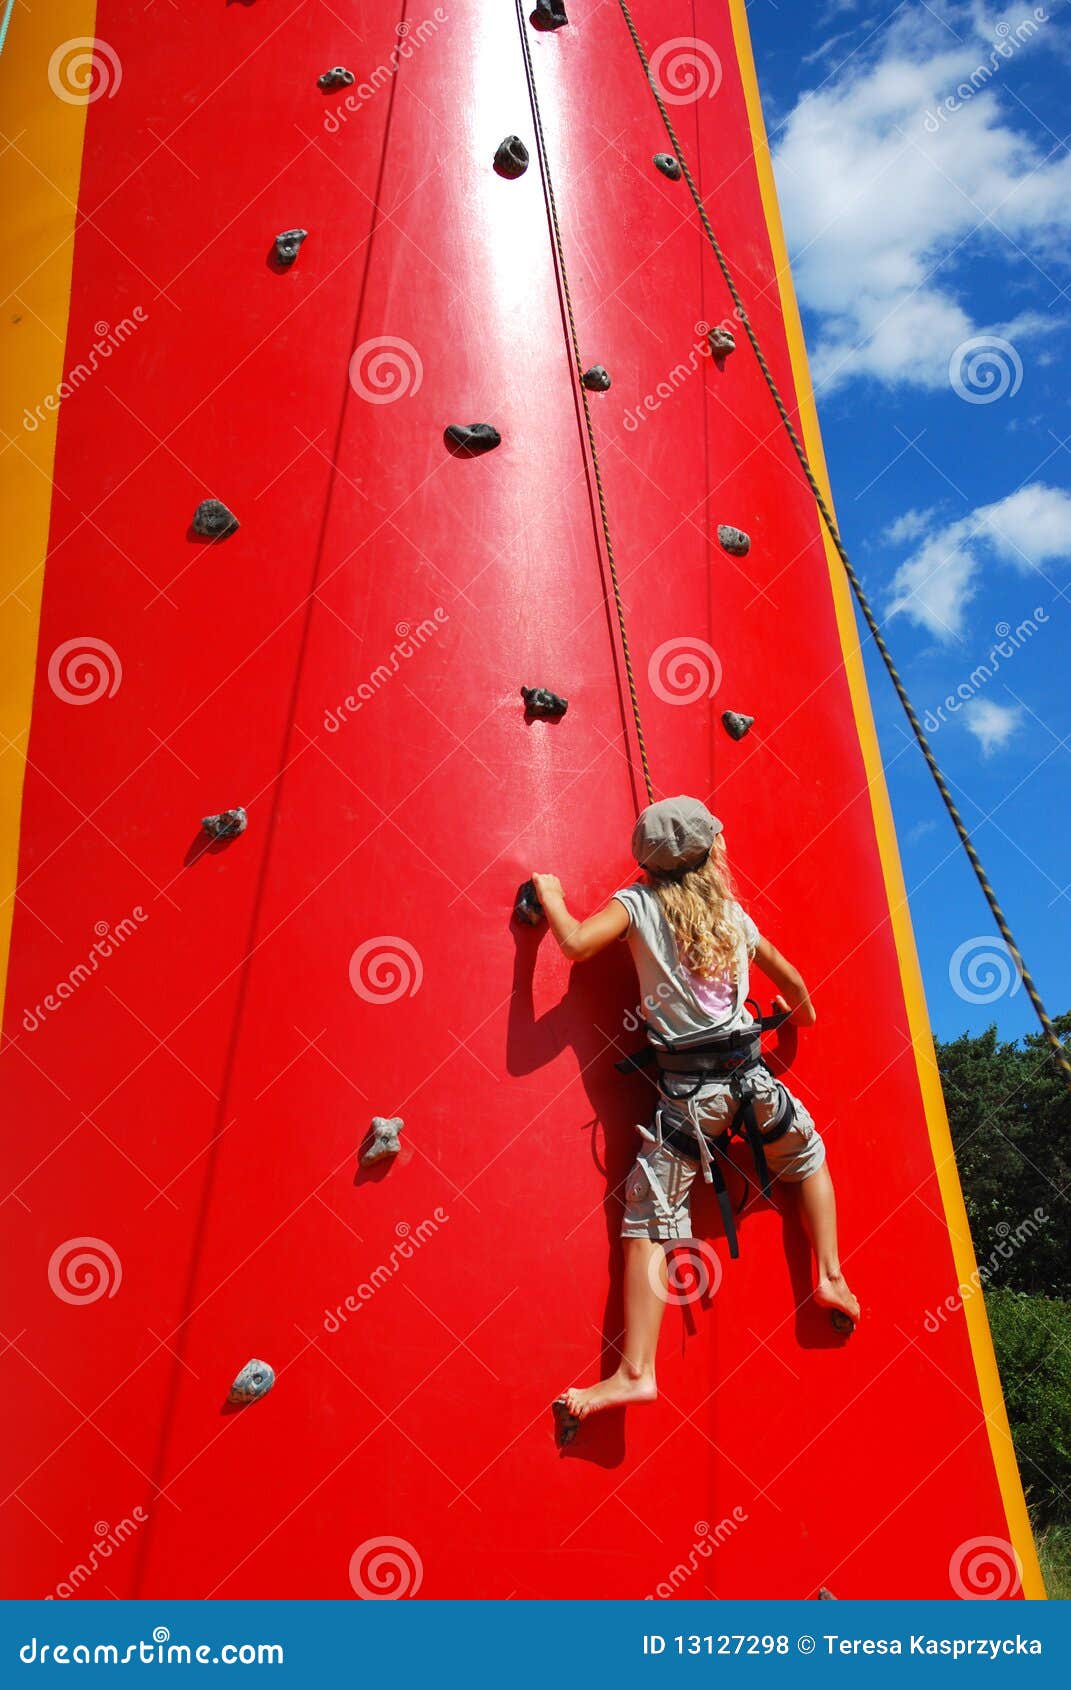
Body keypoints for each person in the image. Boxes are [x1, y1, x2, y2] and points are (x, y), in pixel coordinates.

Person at [531, 795, 859, 1427]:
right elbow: (792, 985)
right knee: (809, 1157)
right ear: (712, 852)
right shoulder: (734, 917)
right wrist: (804, 1017)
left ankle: (635, 1373)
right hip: (754, 1082)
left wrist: (549, 893)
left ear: (647, 864)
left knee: (649, 1221)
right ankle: (831, 1275)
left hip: (688, 1103)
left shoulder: (635, 907)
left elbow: (573, 945)